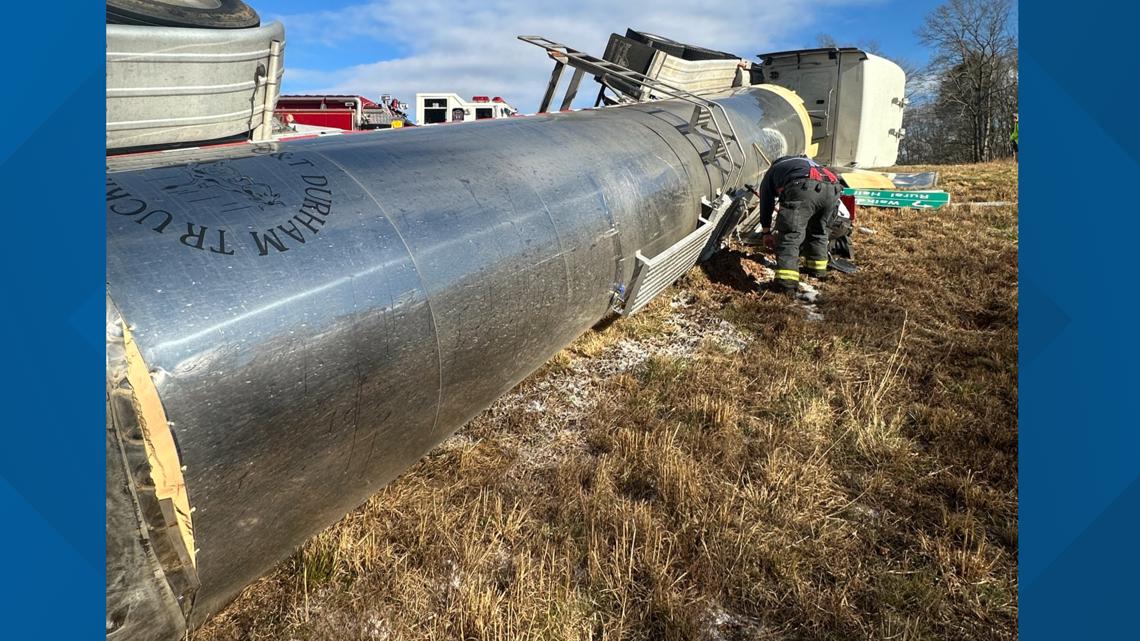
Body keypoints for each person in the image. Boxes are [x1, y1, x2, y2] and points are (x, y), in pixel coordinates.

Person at [754, 155, 843, 293]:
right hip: (833, 188)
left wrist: (766, 232)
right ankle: (817, 271)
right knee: (819, 231)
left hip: (804, 186)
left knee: (790, 236)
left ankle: (786, 284)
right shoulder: (805, 163)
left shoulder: (773, 171)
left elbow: (766, 203)